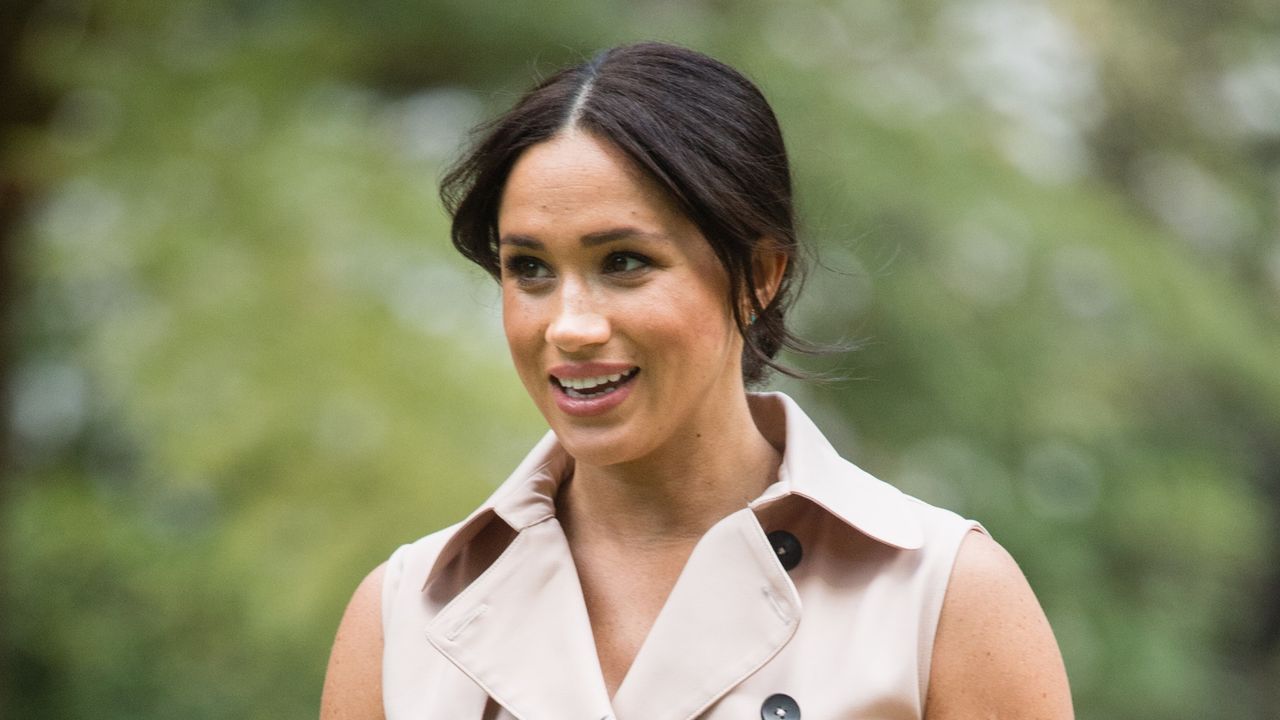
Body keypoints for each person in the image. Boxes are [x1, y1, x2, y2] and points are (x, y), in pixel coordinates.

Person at [320, 42, 1073, 720]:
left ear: (758, 275)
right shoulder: (401, 616)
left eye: (623, 262)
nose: (568, 326)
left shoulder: (941, 596)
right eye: (531, 269)